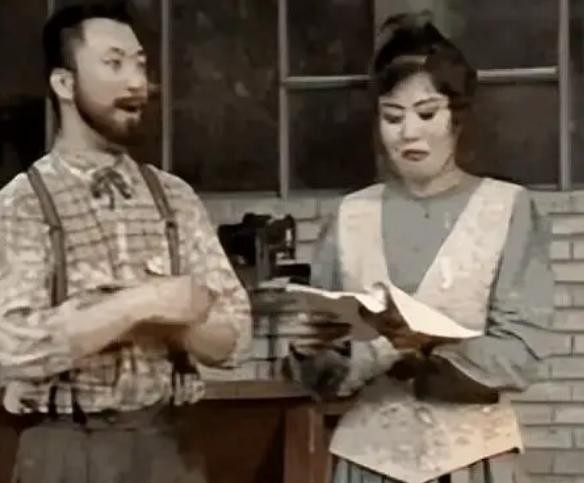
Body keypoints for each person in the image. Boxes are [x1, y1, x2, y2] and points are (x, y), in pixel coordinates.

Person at [289, 12, 554, 483]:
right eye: (392, 117)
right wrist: (310, 352)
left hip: (471, 461)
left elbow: (521, 355)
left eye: (427, 114)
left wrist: (433, 344)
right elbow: (326, 373)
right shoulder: (349, 215)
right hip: (367, 462)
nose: (408, 133)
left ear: (457, 116)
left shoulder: (507, 209)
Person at [0, 3, 252, 482]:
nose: (138, 82)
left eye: (140, 64)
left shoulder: (174, 198)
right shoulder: (23, 203)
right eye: (114, 64)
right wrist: (141, 303)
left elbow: (236, 339)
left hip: (168, 449)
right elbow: (10, 345)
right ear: (64, 84)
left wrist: (176, 326)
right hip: (65, 450)